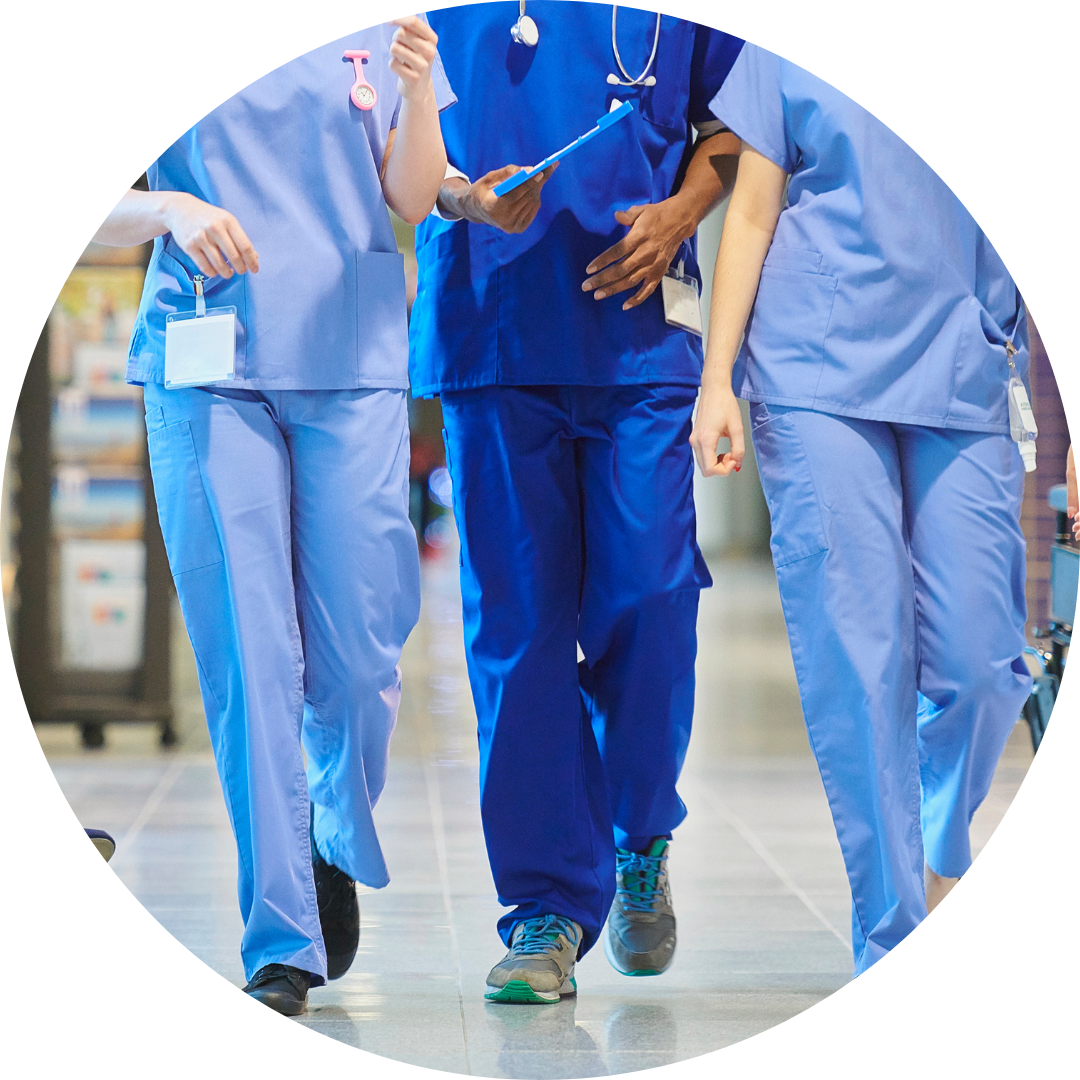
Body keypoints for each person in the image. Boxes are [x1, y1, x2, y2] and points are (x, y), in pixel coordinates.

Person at [93, 17, 455, 1015]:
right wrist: (168, 207)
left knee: (360, 657)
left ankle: (328, 819)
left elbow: (411, 195)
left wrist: (417, 93)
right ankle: (282, 935)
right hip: (208, 360)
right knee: (251, 661)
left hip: (351, 355)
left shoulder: (384, 24)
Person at [410, 3, 744, 1002]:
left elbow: (735, 125)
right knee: (518, 632)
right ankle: (546, 908)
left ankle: (640, 831)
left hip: (641, 339)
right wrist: (467, 198)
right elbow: (395, 148)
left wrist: (682, 211)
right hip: (492, 328)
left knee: (653, 592)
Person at [692, 42, 1033, 974]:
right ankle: (891, 940)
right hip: (815, 365)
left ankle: (935, 845)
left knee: (981, 662)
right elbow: (752, 208)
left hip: (964, 359)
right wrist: (717, 380)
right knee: (859, 656)